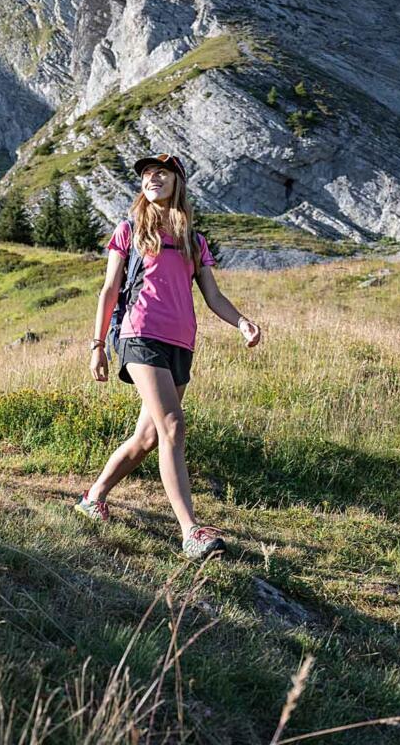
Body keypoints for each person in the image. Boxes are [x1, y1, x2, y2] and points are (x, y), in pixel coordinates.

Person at [74, 153, 261, 559]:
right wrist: (96, 345)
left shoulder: (194, 240)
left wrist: (242, 322)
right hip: (139, 335)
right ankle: (190, 531)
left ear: (178, 183)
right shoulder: (128, 230)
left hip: (181, 343)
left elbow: (212, 295)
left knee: (148, 437)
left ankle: (93, 497)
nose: (152, 178)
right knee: (173, 427)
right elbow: (109, 290)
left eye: (162, 173)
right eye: (146, 175)